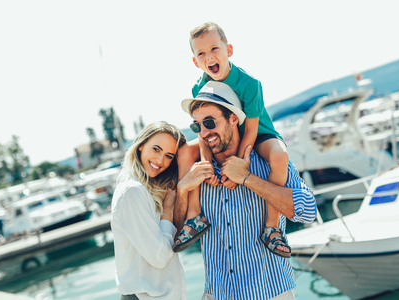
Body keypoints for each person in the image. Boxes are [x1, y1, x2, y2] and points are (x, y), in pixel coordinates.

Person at [174, 82, 317, 300]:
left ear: (234, 118)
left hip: (270, 294)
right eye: (197, 126)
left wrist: (247, 178)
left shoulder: (270, 162)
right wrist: (183, 188)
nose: (203, 132)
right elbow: (176, 230)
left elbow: (307, 211)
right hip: (217, 294)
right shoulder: (196, 174)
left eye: (210, 122)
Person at [175, 22, 291, 257]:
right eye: (201, 53)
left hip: (258, 133)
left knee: (279, 155)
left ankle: (271, 227)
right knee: (185, 152)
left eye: (214, 49)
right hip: (222, 134)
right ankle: (195, 215)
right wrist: (207, 165)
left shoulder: (249, 84)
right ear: (195, 61)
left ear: (228, 50)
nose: (209, 57)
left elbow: (250, 129)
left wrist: (238, 165)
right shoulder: (199, 87)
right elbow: (202, 131)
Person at [110, 121, 187, 300]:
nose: (160, 161)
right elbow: (159, 256)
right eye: (156, 149)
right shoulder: (132, 191)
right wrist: (167, 210)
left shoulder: (146, 189)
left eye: (169, 156)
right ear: (141, 145)